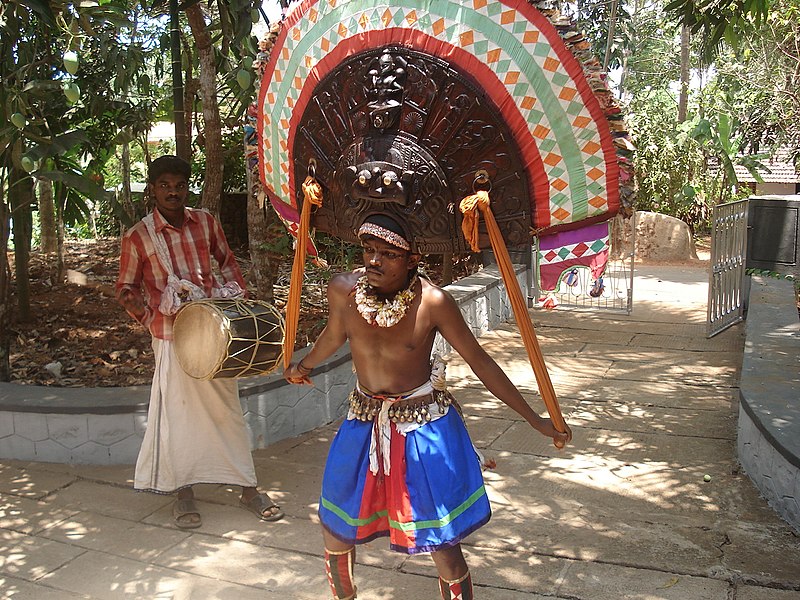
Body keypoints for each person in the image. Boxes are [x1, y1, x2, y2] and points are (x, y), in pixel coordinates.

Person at [284, 212, 571, 599]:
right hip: (363, 419)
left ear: (413, 259)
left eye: (388, 254)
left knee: (441, 538)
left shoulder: (433, 302)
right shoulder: (343, 291)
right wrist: (303, 365)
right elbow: (334, 334)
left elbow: (480, 361)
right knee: (335, 519)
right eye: (369, 250)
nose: (374, 261)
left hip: (422, 427)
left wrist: (534, 420)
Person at [116, 155, 284, 529]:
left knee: (227, 409)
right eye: (165, 185)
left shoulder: (206, 222)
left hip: (214, 333)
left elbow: (227, 263)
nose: (173, 191)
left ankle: (247, 487)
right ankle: (183, 492)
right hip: (172, 337)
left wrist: (233, 299)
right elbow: (126, 290)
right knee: (178, 416)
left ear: (187, 187)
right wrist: (152, 318)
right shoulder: (139, 236)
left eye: (179, 184)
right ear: (153, 189)